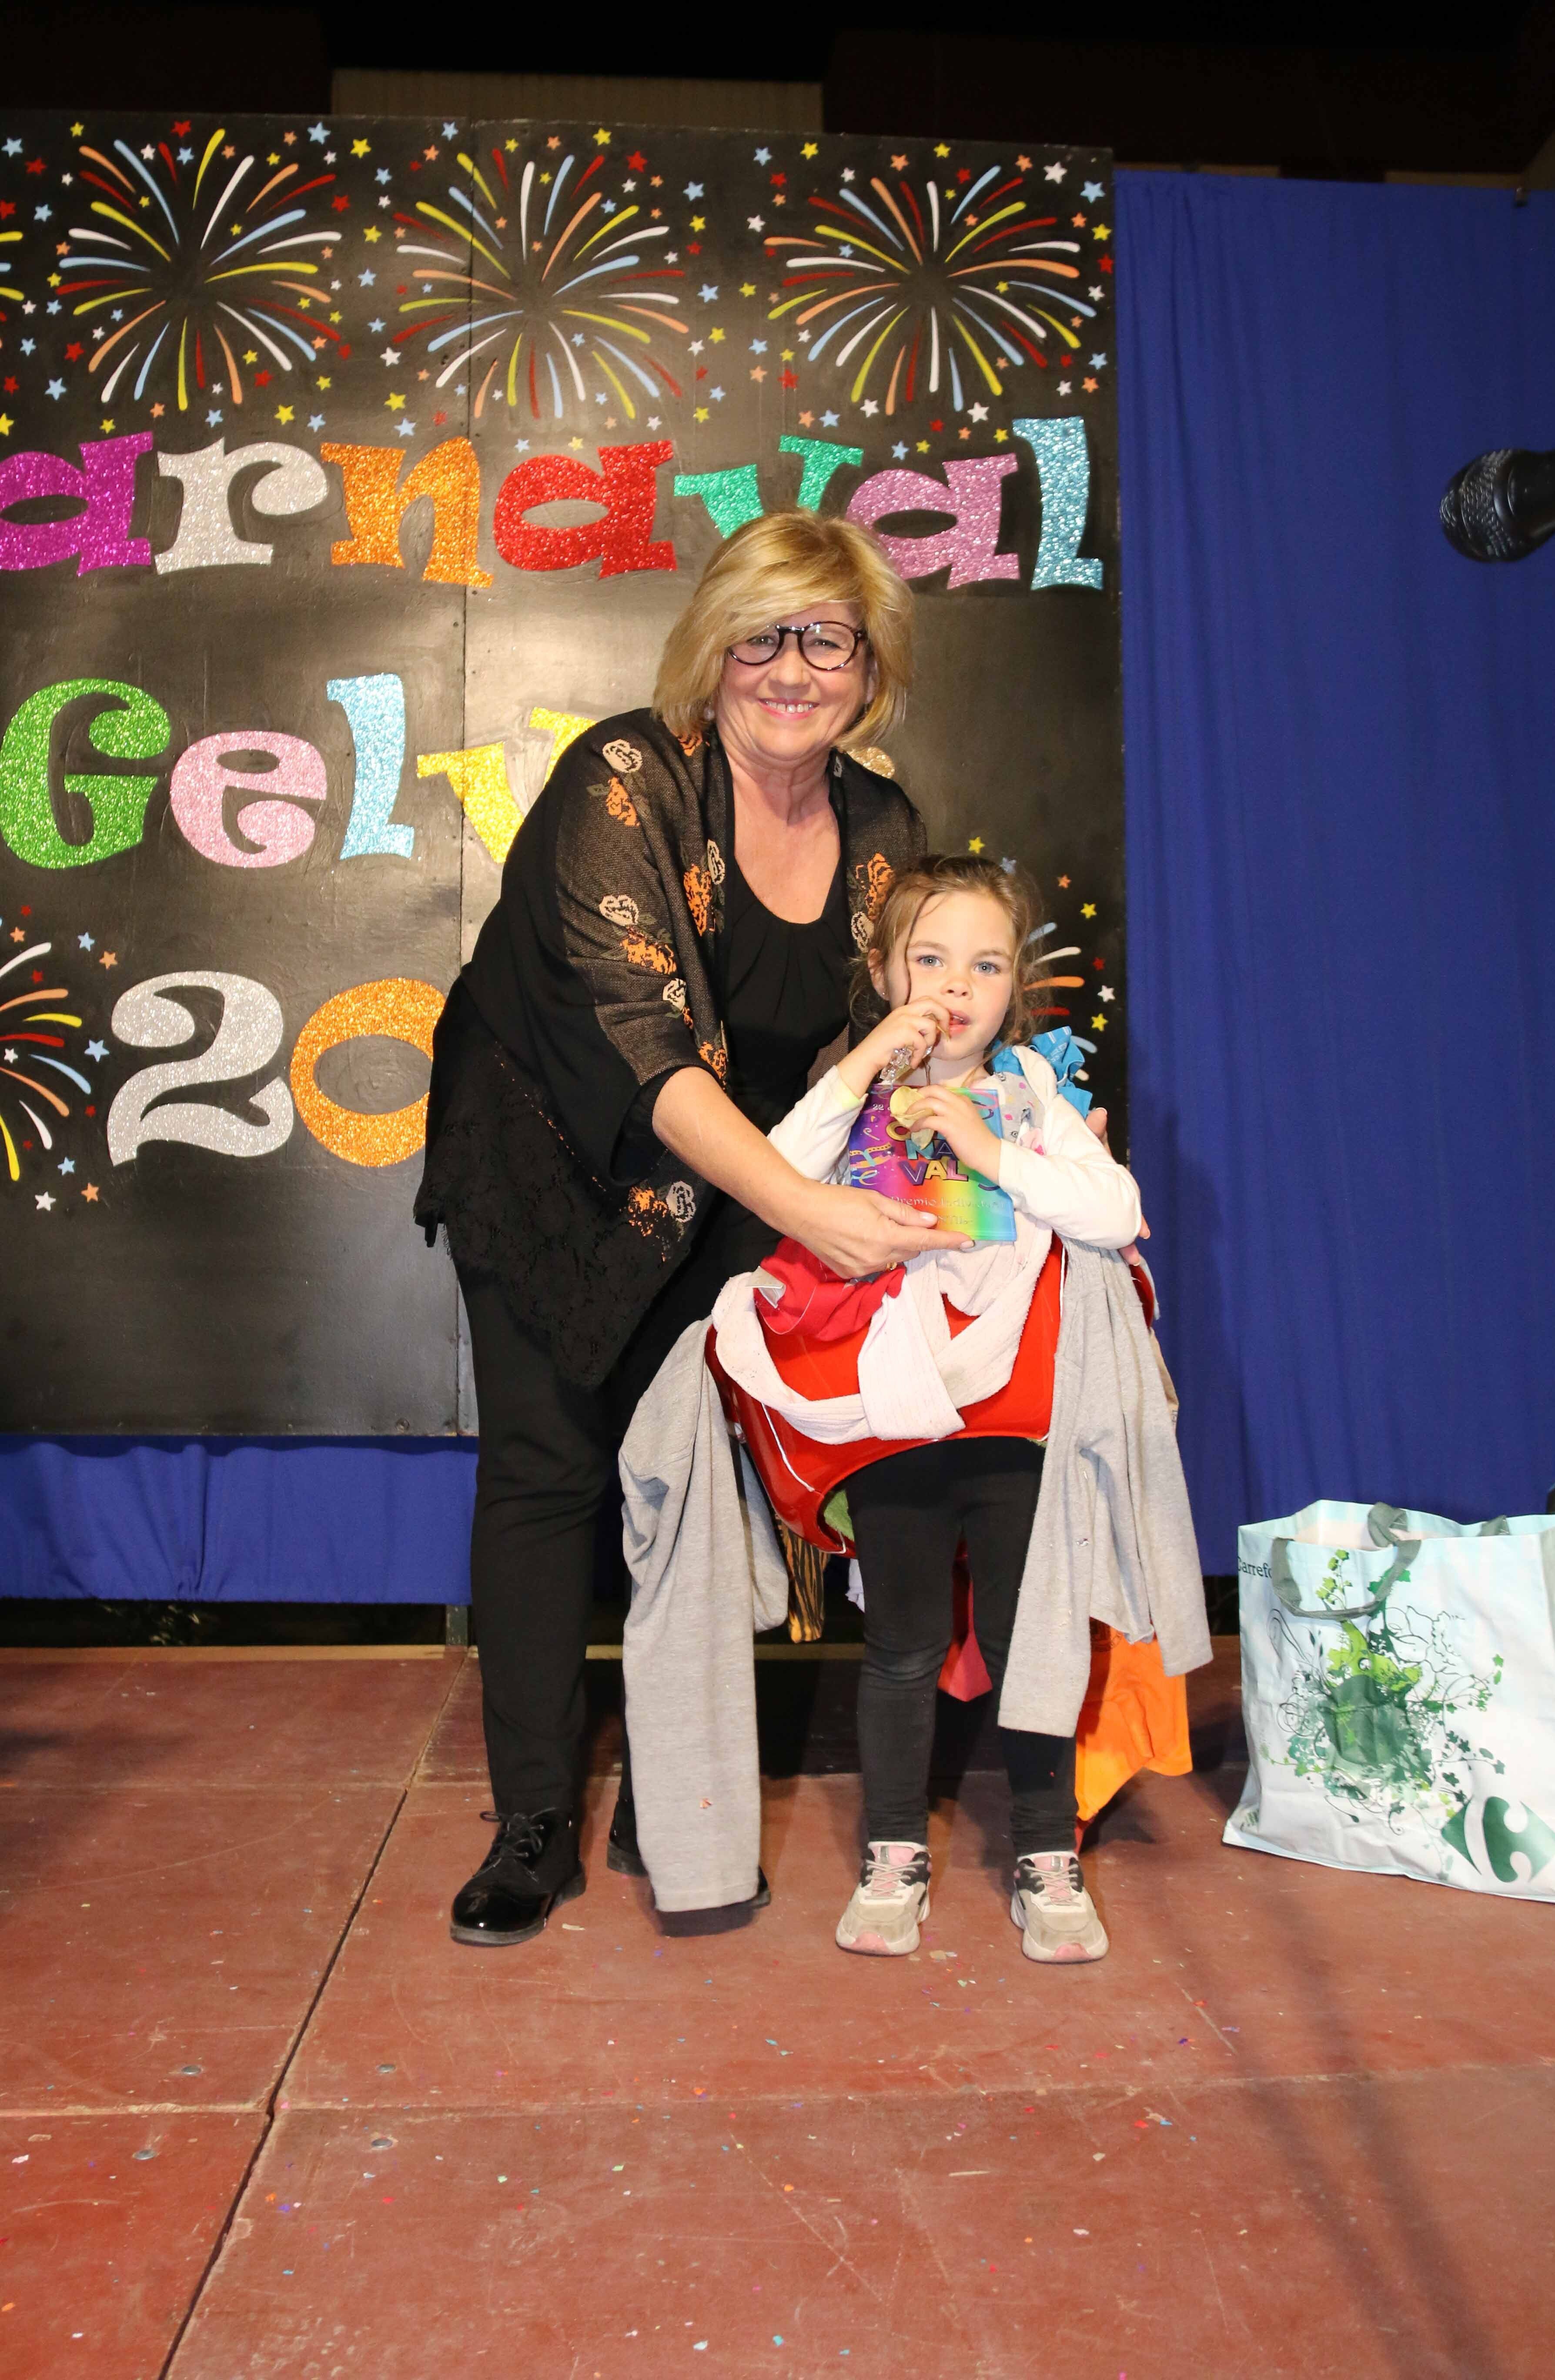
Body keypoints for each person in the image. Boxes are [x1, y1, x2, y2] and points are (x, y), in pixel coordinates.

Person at [415, 509, 960, 1948]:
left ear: (869, 668)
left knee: (703, 1475)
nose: (792, 669)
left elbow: (878, 1052)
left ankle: (674, 1785)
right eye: (761, 635)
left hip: (728, 1175)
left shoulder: (884, 833)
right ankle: (533, 1822)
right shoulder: (623, 780)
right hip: (548, 1151)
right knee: (549, 1470)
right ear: (711, 649)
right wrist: (808, 1213)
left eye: (827, 640)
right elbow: (643, 1046)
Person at [728, 855, 1150, 1962]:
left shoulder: (1032, 1087)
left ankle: (1046, 1855)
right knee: (904, 1646)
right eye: (929, 959)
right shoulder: (856, 1090)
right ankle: (892, 1853)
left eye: (987, 964)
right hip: (898, 1416)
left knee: (1027, 1638)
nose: (958, 986)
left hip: (1016, 1415)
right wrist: (872, 1059)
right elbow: (773, 1173)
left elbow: (1115, 1210)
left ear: (1017, 986)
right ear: (882, 972)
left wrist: (988, 1146)